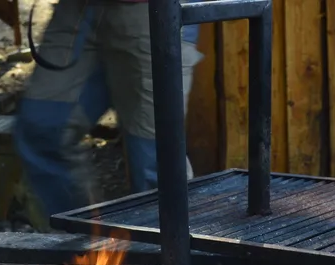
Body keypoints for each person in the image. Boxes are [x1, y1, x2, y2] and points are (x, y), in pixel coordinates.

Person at [13, 0, 202, 219]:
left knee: (156, 165)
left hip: (154, 10)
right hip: (78, 10)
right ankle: (85, 243)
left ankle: (163, 250)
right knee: (42, 130)